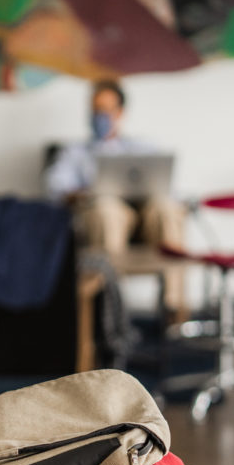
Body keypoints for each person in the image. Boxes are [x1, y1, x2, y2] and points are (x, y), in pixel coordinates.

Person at [43, 80, 186, 310]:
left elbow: (173, 190)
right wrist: (86, 193)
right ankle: (110, 307)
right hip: (104, 215)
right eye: (94, 110)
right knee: (106, 210)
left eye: (105, 110)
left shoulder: (145, 148)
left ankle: (174, 307)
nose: (98, 116)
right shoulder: (74, 152)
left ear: (120, 113)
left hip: (146, 216)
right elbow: (55, 189)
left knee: (166, 209)